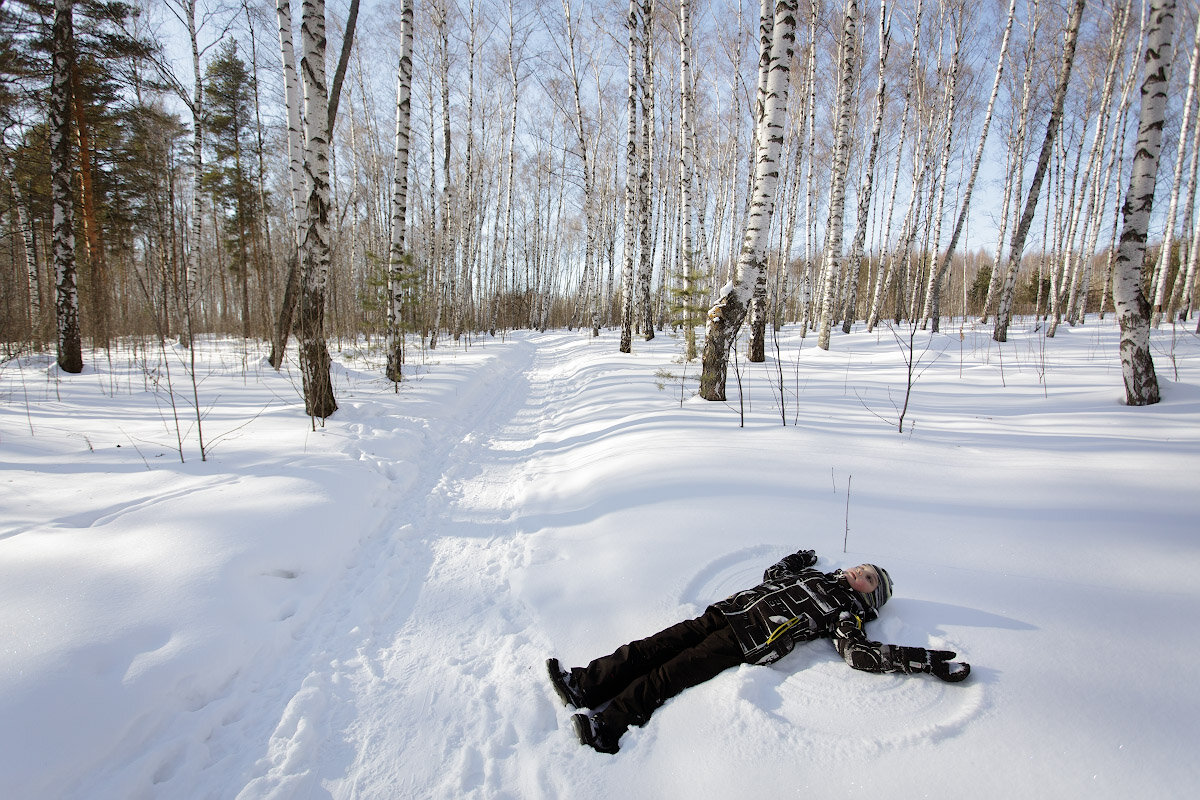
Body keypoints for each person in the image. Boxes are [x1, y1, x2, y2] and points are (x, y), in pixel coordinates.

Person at [546, 549, 970, 753]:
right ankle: (584, 684)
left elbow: (860, 655)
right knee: (650, 647)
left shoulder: (847, 612)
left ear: (870, 599)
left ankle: (607, 727)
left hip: (747, 638)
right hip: (726, 611)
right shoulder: (821, 577)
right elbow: (773, 576)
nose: (862, 572)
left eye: (871, 580)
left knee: (669, 674)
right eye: (864, 568)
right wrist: (796, 560)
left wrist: (925, 660)